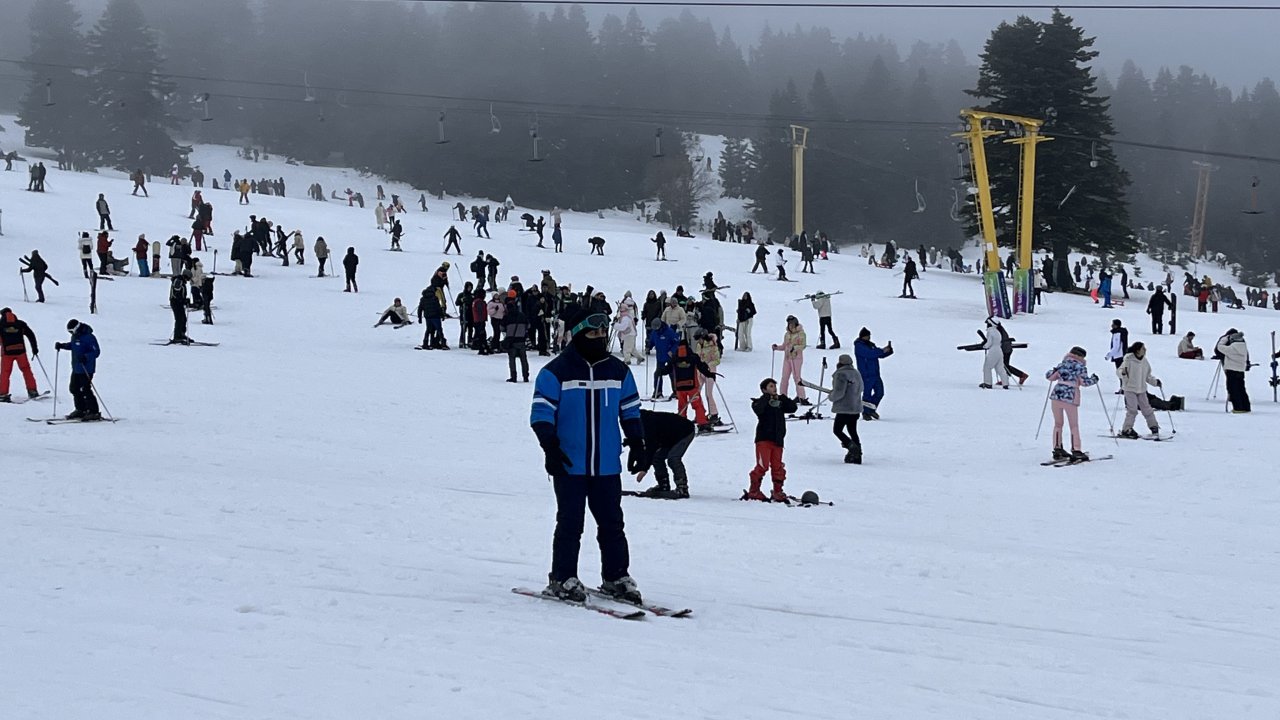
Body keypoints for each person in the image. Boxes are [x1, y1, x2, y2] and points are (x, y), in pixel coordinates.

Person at [530, 308, 647, 604]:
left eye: (601, 333)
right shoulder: (555, 372)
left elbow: (630, 410)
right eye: (591, 333)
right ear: (578, 334)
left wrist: (637, 442)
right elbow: (542, 414)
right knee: (571, 522)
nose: (597, 338)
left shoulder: (618, 370)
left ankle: (616, 576)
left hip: (606, 463)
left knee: (612, 522)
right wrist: (550, 447)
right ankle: (562, 577)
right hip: (570, 464)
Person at [744, 378, 799, 502]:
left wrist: (782, 398)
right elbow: (758, 410)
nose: (774, 388)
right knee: (762, 466)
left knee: (777, 467)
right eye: (771, 386)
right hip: (764, 439)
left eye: (774, 386)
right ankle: (754, 490)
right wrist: (767, 398)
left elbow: (793, 408)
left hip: (778, 440)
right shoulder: (759, 402)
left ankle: (778, 491)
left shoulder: (779, 403)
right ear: (764, 390)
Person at [806, 353, 865, 463]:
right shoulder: (856, 373)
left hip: (844, 408)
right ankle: (858, 454)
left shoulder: (841, 374)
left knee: (837, 430)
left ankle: (852, 447)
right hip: (855, 407)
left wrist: (831, 396)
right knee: (853, 430)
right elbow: (861, 388)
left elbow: (839, 392)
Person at [1046, 346, 1100, 463]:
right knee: (1073, 425)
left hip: (1056, 396)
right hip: (1070, 397)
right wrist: (1094, 379)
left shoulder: (1061, 365)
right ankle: (1076, 450)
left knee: (1058, 424)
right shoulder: (1080, 367)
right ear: (1081, 356)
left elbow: (1050, 377)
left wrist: (1052, 371)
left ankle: (1057, 448)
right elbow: (1084, 382)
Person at [634, 409, 696, 498]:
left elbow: (651, 446)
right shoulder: (638, 420)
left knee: (673, 458)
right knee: (657, 457)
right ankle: (663, 485)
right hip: (669, 436)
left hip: (685, 432)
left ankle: (682, 488)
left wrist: (644, 469)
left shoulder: (645, 422)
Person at [55, 319, 101, 421]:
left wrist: (85, 357)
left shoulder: (89, 337)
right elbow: (74, 346)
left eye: (71, 331)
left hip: (86, 368)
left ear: (76, 328)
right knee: (74, 388)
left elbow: (96, 352)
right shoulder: (75, 336)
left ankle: (94, 411)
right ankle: (81, 409)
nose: (70, 333)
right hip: (76, 368)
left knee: (85, 389)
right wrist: (62, 346)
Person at [664, 340, 715, 429]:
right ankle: (702, 423)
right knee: (697, 405)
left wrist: (660, 371)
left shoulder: (675, 358)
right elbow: (701, 367)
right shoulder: (693, 357)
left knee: (682, 406)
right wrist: (709, 374)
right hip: (692, 387)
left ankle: (682, 424)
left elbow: (667, 370)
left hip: (680, 387)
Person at [1117, 341, 1162, 438]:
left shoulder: (1144, 361)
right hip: (1130, 389)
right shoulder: (1128, 360)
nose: (1145, 350)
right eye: (1143, 348)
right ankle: (1126, 429)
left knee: (1147, 409)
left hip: (1141, 389)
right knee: (1132, 410)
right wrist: (1123, 374)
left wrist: (1155, 382)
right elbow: (1120, 371)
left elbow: (1147, 376)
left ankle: (1154, 426)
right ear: (1137, 350)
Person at [0, 308, 41, 402]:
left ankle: (3, 394)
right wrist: (34, 348)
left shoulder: (1, 325)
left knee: (5, 373)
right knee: (26, 370)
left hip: (7, 353)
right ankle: (32, 390)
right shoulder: (20, 324)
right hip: (21, 352)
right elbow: (31, 334)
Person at [854, 327, 893, 420]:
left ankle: (871, 409)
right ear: (863, 336)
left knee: (880, 392)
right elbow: (870, 354)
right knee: (867, 394)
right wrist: (882, 351)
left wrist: (888, 351)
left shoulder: (871, 345)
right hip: (866, 374)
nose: (869, 337)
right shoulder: (859, 346)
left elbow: (878, 354)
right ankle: (865, 412)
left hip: (875, 374)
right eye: (867, 336)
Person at [772, 315, 809, 404]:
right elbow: (785, 346)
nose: (790, 326)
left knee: (797, 377)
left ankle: (801, 396)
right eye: (789, 324)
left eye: (792, 324)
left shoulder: (801, 333)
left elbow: (803, 345)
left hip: (796, 358)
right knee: (784, 377)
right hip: (787, 358)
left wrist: (795, 348)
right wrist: (777, 347)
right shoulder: (787, 334)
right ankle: (783, 396)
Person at [1216, 329, 1251, 413]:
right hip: (1240, 370)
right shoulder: (1243, 347)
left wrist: (1225, 338)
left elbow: (1219, 347)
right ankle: (1246, 407)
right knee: (1241, 389)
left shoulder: (1232, 348)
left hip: (1232, 370)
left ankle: (1238, 408)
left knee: (1233, 390)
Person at [694, 331, 722, 425]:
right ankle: (700, 413)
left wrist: (708, 365)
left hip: (710, 371)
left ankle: (714, 414)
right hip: (700, 371)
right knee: (696, 393)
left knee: (708, 393)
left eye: (700, 339)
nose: (699, 341)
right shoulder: (699, 345)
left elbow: (717, 360)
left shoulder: (712, 345)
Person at [648, 319, 679, 400]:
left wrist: (672, 351)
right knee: (657, 374)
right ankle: (658, 391)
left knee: (672, 374)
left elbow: (676, 342)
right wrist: (649, 346)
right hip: (660, 356)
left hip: (669, 357)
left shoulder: (669, 331)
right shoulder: (654, 332)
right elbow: (652, 341)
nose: (655, 330)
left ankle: (676, 391)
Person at [503, 297, 530, 382]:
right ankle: (525, 376)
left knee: (512, 359)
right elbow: (528, 326)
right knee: (523, 359)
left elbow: (502, 328)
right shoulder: (522, 315)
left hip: (511, 341)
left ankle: (513, 376)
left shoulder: (506, 317)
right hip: (521, 340)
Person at [979, 317, 1010, 389]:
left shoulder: (990, 332)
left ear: (991, 324)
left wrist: (984, 346)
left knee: (987, 367)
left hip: (993, 351)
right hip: (999, 351)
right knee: (1000, 368)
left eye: (988, 324)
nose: (987, 325)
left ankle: (988, 383)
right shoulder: (998, 332)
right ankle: (1005, 383)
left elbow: (989, 343)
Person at [1105, 318, 1129, 393]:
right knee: (1123, 372)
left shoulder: (1117, 334)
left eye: (1113, 324)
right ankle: (1124, 388)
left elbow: (1116, 346)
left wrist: (1109, 355)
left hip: (1119, 356)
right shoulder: (1121, 332)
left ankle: (1123, 388)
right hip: (1123, 354)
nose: (1111, 325)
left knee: (1121, 373)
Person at [169, 272, 190, 343]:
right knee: (179, 319)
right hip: (176, 303)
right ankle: (177, 336)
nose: (188, 281)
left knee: (183, 318)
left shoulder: (181, 281)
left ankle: (182, 333)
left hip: (179, 303)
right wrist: (183, 300)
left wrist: (184, 300)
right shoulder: (178, 281)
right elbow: (176, 293)